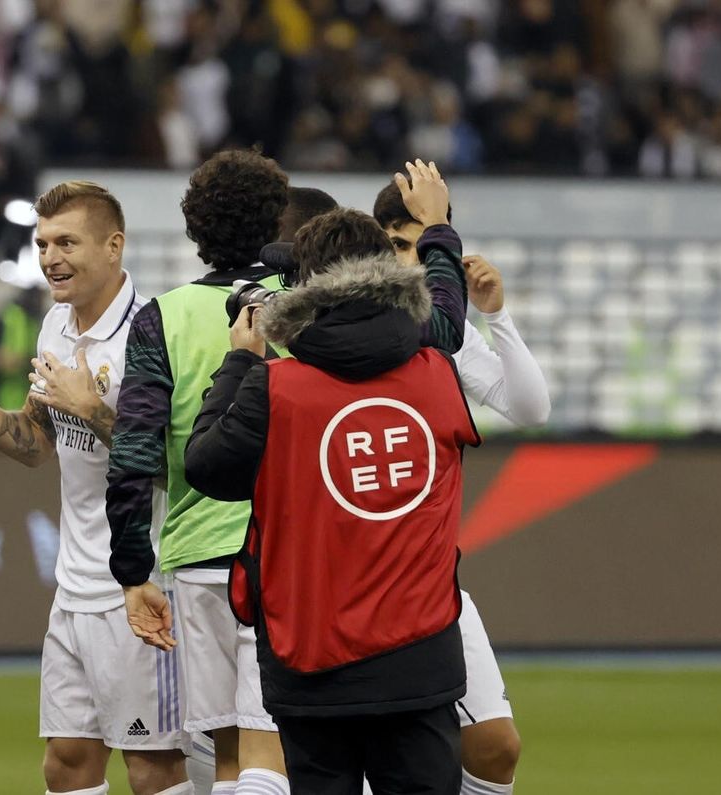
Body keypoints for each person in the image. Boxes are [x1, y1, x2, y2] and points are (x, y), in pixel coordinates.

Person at [184, 162, 476, 793]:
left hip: (309, 659)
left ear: (302, 289)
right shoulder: (435, 373)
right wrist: (437, 231)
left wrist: (240, 360)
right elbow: (446, 315)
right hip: (420, 658)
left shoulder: (274, 387)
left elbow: (208, 468)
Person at [0, 181, 191, 795]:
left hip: (141, 584)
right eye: (43, 243)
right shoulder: (54, 326)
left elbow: (177, 467)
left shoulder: (153, 332)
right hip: (73, 589)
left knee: (153, 767)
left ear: (114, 246)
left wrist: (95, 409)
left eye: (67, 242)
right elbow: (38, 444)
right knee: (67, 762)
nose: (50, 257)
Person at [106, 150, 293, 795]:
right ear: (277, 223)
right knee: (284, 755)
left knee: (232, 763)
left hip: (198, 563)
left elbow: (133, 453)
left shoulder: (163, 318)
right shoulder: (303, 309)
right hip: (289, 557)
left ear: (195, 230)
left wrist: (133, 573)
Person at [374, 180, 549, 795]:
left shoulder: (447, 336)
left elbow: (529, 408)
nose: (412, 262)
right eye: (399, 245)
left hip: (431, 583)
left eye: (424, 247)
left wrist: (496, 316)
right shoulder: (344, 333)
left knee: (497, 748)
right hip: (356, 584)